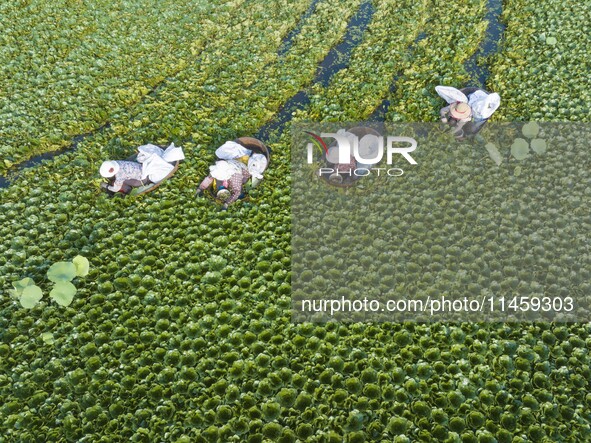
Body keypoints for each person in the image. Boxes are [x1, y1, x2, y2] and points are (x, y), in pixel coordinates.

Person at [196, 140, 269, 209]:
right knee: (218, 183)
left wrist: (226, 204)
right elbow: (209, 178)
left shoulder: (235, 177)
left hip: (242, 171)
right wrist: (200, 188)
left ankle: (244, 181)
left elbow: (237, 192)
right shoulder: (218, 169)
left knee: (242, 188)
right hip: (232, 163)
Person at [435, 85, 501, 138]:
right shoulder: (455, 105)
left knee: (472, 129)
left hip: (464, 121)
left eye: (457, 115)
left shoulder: (465, 118)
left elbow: (459, 126)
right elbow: (443, 110)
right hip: (457, 118)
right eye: (455, 113)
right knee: (451, 122)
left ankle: (462, 136)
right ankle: (452, 126)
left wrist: (451, 132)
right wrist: (442, 116)